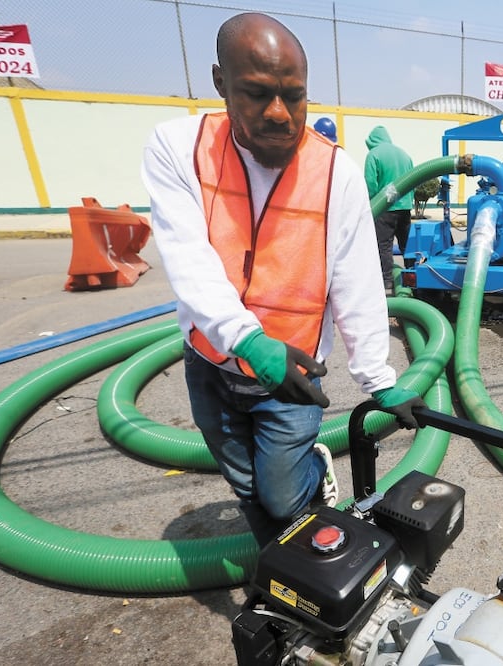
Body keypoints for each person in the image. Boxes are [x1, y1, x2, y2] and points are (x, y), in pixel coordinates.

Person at [140, 12, 424, 547]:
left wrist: (379, 380)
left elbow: (358, 281)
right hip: (212, 361)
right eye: (257, 93)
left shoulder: (335, 174)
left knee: (283, 495)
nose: (279, 113)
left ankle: (310, 481)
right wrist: (246, 340)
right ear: (221, 83)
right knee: (247, 484)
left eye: (295, 97)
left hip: (293, 373)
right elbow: (187, 257)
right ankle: (277, 565)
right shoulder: (179, 149)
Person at [364, 126, 414, 292]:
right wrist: (407, 201)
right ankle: (412, 277)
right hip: (405, 207)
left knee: (384, 246)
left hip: (385, 208)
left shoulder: (374, 154)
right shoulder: (404, 154)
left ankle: (386, 281)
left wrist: (373, 205)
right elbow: (413, 180)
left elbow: (370, 185)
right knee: (407, 245)